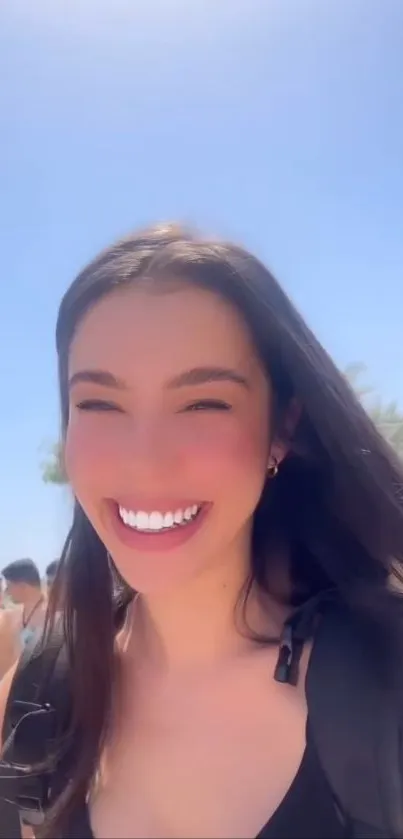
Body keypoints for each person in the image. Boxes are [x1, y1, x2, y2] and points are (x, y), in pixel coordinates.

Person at [1, 223, 403, 839]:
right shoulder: (46, 694)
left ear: (282, 429)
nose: (145, 462)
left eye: (203, 404)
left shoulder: (384, 681)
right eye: (99, 405)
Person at [0, 559, 46, 679]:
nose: (7, 592)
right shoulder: (13, 616)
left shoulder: (51, 617)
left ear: (23, 587)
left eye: (9, 586)